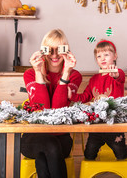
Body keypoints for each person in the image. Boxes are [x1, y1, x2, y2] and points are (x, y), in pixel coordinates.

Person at [21, 29, 82, 178]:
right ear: (43, 51)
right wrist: (38, 72)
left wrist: (66, 72)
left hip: (61, 137)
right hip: (33, 137)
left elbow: (56, 111)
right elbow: (42, 110)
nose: (54, 56)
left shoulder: (74, 75)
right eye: (50, 50)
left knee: (44, 156)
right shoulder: (30, 74)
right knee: (49, 146)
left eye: (59, 50)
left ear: (66, 51)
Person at [68, 40, 127, 160]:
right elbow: (84, 97)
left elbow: (120, 77)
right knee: (89, 155)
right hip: (97, 125)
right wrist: (72, 96)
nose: (103, 58)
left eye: (106, 55)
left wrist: (115, 74)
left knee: (121, 154)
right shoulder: (93, 79)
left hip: (113, 125)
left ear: (115, 56)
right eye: (99, 56)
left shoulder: (117, 73)